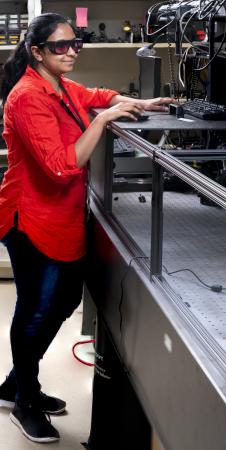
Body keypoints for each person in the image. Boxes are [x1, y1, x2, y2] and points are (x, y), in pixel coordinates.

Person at [0, 13, 172, 443]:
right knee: (37, 312)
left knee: (62, 302)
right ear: (36, 52)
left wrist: (135, 103)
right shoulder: (27, 97)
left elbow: (93, 93)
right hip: (30, 219)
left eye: (76, 43)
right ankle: (24, 401)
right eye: (60, 45)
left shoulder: (60, 87)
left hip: (62, 217)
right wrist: (103, 119)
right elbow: (61, 166)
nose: (72, 50)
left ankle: (15, 385)